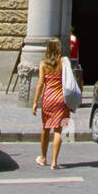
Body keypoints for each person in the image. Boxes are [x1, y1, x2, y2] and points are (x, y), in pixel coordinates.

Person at [31, 37, 70, 170]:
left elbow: (40, 83)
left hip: (48, 98)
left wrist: (35, 102)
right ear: (59, 49)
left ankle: (43, 157)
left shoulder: (43, 63)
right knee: (59, 129)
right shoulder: (63, 62)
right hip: (61, 99)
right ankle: (54, 162)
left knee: (46, 128)